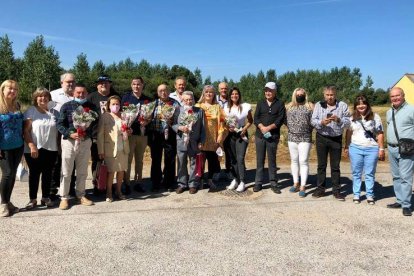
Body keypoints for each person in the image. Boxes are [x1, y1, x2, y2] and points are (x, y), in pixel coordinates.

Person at [57, 84, 97, 210]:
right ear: (73, 93)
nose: (81, 95)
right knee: (66, 171)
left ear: (87, 93)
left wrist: (86, 134)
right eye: (78, 92)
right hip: (69, 142)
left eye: (83, 92)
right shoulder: (66, 106)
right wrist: (70, 133)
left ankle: (81, 195)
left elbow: (95, 125)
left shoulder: (91, 108)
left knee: (82, 171)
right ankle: (64, 197)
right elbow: (59, 124)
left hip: (85, 142)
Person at [311, 85, 351, 200]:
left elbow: (348, 123)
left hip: (336, 139)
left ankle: (336, 191)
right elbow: (313, 121)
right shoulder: (319, 105)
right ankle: (320, 189)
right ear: (324, 95)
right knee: (321, 165)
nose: (329, 97)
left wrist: (339, 120)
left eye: (332, 95)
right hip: (321, 138)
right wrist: (321, 122)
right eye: (327, 95)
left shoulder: (342, 106)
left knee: (335, 166)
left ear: (335, 95)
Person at [344, 94, 385, 205]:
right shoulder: (351, 117)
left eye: (363, 104)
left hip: (371, 149)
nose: (361, 106)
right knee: (356, 173)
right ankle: (356, 194)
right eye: (359, 104)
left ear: (367, 105)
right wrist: (346, 146)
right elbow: (348, 133)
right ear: (355, 106)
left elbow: (380, 133)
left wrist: (381, 148)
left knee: (369, 173)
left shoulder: (375, 117)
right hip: (355, 148)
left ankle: (370, 195)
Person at [23, 88, 59, 209]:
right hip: (34, 149)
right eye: (40, 96)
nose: (43, 98)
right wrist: (32, 145)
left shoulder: (53, 113)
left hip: (51, 148)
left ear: (49, 98)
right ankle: (32, 199)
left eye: (45, 96)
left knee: (48, 174)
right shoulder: (31, 111)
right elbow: (26, 131)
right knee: (34, 174)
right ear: (35, 98)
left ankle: (45, 197)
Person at [87, 75, 119, 193]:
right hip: (96, 135)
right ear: (97, 85)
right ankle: (97, 184)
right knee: (97, 161)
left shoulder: (115, 96)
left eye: (106, 82)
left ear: (110, 84)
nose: (103, 84)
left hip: (113, 136)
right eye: (101, 83)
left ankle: (109, 185)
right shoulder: (91, 97)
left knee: (112, 160)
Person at [385, 87, 414, 216]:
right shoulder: (388, 112)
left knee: (405, 177)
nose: (395, 98)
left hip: (407, 148)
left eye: (398, 95)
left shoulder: (411, 110)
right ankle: (399, 200)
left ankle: (406, 205)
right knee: (396, 176)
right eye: (392, 96)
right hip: (391, 147)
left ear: (403, 95)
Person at [121, 77, 152, 194]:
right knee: (128, 160)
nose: (136, 86)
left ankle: (138, 182)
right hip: (129, 134)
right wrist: (125, 126)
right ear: (131, 85)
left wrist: (147, 121)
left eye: (138, 84)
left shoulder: (147, 100)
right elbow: (121, 114)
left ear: (142, 85)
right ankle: (127, 183)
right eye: (134, 84)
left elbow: (151, 116)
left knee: (140, 160)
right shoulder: (126, 98)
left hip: (142, 135)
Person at [253, 82, 286, 193]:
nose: (268, 92)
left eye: (270, 90)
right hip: (260, 136)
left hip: (273, 136)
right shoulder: (260, 103)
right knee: (260, 160)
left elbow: (280, 119)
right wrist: (262, 127)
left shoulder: (280, 103)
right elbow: (256, 118)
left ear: (275, 91)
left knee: (272, 160)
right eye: (266, 90)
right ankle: (258, 183)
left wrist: (269, 128)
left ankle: (273, 183)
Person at [172, 91, 205, 194]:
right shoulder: (178, 110)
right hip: (181, 141)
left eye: (190, 99)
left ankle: (193, 184)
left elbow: (203, 128)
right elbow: (173, 124)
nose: (188, 101)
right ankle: (182, 184)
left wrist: (201, 141)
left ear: (193, 100)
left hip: (194, 141)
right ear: (182, 100)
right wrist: (180, 127)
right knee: (181, 163)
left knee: (194, 163)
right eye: (186, 100)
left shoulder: (199, 111)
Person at [147, 84, 179, 192]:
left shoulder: (175, 103)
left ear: (169, 91)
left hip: (170, 135)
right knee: (156, 159)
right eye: (160, 91)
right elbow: (147, 117)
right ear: (157, 92)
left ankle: (169, 182)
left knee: (170, 158)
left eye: (165, 90)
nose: (163, 93)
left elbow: (180, 119)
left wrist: (172, 121)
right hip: (156, 134)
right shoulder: (154, 104)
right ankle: (156, 182)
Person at [98, 96, 130, 202]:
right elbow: (100, 135)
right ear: (108, 105)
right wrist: (101, 150)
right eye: (113, 104)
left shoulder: (124, 115)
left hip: (123, 147)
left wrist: (129, 131)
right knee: (111, 172)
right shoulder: (105, 116)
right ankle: (109, 192)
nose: (115, 106)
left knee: (121, 171)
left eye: (117, 104)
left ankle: (119, 191)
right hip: (110, 148)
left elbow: (127, 130)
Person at [195, 85, 227, 191]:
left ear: (214, 94)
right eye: (207, 92)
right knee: (200, 161)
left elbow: (223, 122)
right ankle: (199, 181)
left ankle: (210, 180)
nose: (209, 94)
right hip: (201, 139)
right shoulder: (197, 106)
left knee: (213, 162)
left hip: (214, 140)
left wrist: (220, 136)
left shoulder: (218, 107)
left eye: (211, 92)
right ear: (203, 93)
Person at [50, 72, 76, 198]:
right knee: (56, 161)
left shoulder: (78, 95)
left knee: (72, 161)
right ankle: (52, 190)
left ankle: (70, 188)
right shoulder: (53, 95)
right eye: (68, 82)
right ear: (62, 83)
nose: (71, 84)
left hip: (72, 135)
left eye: (73, 81)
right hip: (55, 133)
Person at [0, 80, 24, 217]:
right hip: (4, 147)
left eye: (15, 89)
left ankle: (8, 202)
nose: (12, 91)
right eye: (9, 88)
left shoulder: (18, 105)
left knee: (13, 173)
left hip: (18, 146)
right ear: (3, 89)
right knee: (7, 173)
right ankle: (3, 204)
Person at [285, 88, 314, 198]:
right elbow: (284, 119)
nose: (300, 95)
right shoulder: (289, 106)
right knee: (294, 161)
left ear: (305, 95)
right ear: (294, 95)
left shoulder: (310, 106)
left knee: (303, 161)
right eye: (298, 94)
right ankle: (295, 183)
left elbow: (313, 121)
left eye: (302, 94)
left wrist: (307, 130)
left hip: (305, 138)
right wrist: (292, 128)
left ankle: (303, 186)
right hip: (292, 137)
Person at [224, 87, 253, 192]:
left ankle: (242, 181)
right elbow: (225, 123)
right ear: (229, 96)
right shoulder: (226, 108)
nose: (234, 96)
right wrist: (228, 127)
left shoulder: (245, 107)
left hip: (241, 135)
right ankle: (235, 179)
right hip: (231, 136)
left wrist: (244, 129)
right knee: (233, 160)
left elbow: (250, 120)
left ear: (239, 95)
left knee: (240, 159)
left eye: (236, 94)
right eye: (232, 94)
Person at [217, 82, 231, 181]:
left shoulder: (231, 100)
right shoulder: (214, 99)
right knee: (217, 151)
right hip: (217, 130)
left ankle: (228, 171)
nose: (224, 90)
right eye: (222, 88)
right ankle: (217, 171)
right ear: (218, 89)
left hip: (229, 130)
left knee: (229, 151)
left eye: (225, 88)